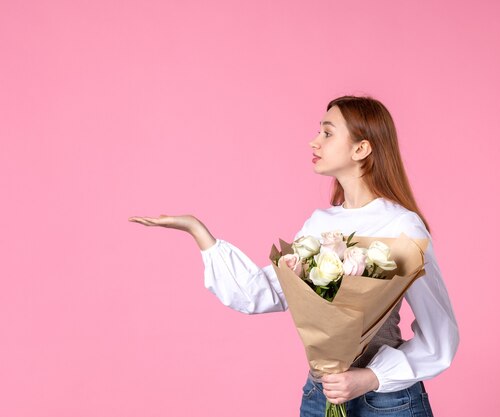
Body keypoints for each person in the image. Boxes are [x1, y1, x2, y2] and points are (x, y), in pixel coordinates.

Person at [128, 95, 459, 417]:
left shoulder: (402, 226)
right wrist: (199, 232)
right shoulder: (321, 224)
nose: (314, 142)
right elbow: (265, 293)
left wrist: (370, 378)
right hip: (320, 397)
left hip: (387, 402)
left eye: (327, 133)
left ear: (361, 148)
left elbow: (441, 335)